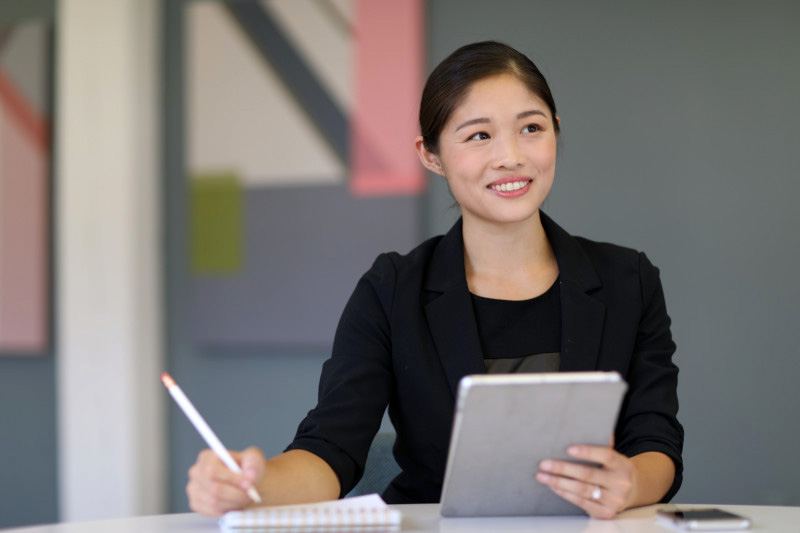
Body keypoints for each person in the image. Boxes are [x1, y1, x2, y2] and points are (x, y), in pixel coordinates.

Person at [186, 41, 683, 520]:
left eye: (531, 128)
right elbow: (330, 448)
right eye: (479, 135)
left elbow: (654, 440)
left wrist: (631, 484)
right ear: (431, 155)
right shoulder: (391, 290)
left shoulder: (627, 280)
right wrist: (251, 486)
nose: (511, 156)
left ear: (556, 130)